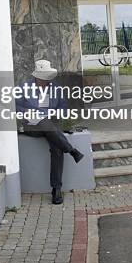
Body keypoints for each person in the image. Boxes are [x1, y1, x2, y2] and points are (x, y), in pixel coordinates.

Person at [16, 59, 84, 205]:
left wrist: (56, 112)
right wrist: (27, 111)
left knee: (57, 148)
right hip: (32, 126)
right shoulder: (23, 87)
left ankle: (56, 189)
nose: (46, 81)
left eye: (47, 78)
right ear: (36, 77)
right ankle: (71, 150)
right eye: (43, 78)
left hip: (52, 126)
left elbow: (63, 106)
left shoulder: (55, 88)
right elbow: (15, 108)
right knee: (43, 121)